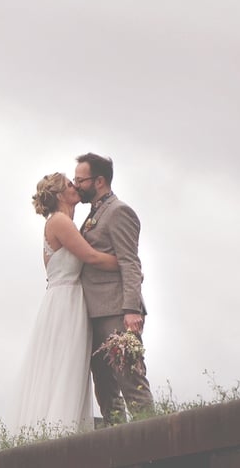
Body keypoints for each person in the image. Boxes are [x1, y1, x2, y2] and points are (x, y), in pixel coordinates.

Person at [5, 172, 119, 441]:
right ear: (59, 195)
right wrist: (125, 264)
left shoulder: (65, 222)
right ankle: (58, 433)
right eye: (70, 184)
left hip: (67, 299)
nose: (75, 186)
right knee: (64, 365)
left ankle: (60, 433)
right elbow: (90, 256)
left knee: (65, 366)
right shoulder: (59, 221)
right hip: (65, 302)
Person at [74, 152, 155, 425]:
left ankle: (152, 437)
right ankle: (117, 440)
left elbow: (130, 261)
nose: (76, 185)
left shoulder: (119, 211)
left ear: (99, 181)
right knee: (105, 389)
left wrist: (132, 309)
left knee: (131, 382)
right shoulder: (93, 213)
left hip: (117, 312)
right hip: (94, 313)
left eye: (80, 180)